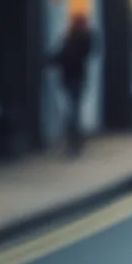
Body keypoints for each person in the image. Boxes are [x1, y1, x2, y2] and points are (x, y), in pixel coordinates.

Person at [52, 14, 95, 157]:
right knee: (73, 111)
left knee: (72, 112)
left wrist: (56, 59)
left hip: (73, 78)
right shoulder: (76, 37)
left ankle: (74, 143)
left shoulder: (79, 38)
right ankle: (77, 141)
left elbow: (69, 56)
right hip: (74, 78)